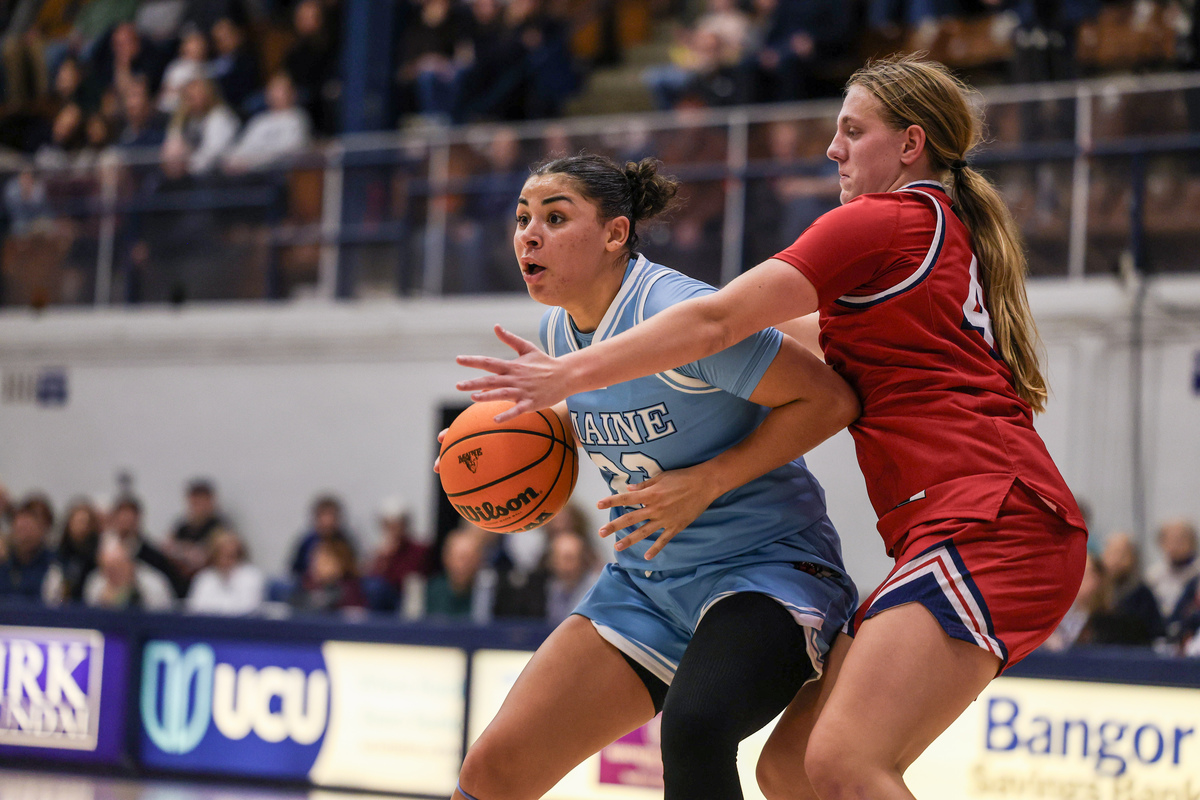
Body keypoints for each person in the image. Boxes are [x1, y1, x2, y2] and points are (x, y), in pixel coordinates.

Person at [455, 56, 1089, 800]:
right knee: (790, 770)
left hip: (987, 517)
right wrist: (576, 384)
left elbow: (719, 320)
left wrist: (573, 375)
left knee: (843, 764)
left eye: (853, 130)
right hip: (940, 525)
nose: (833, 149)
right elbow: (763, 335)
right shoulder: (918, 246)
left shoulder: (885, 220)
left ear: (911, 144)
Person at [445, 152, 859, 800]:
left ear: (615, 233)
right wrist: (490, 440)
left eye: (556, 217)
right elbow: (632, 420)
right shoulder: (560, 328)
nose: (529, 232)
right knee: (493, 772)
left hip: (765, 570)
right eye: (523, 217)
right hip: (647, 584)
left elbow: (831, 400)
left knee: (693, 730)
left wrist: (709, 480)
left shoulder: (677, 312)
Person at [185, 527, 265, 615]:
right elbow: (195, 609)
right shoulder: (204, 578)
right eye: (221, 555)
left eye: (231, 555)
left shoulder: (251, 576)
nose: (225, 561)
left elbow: (248, 609)